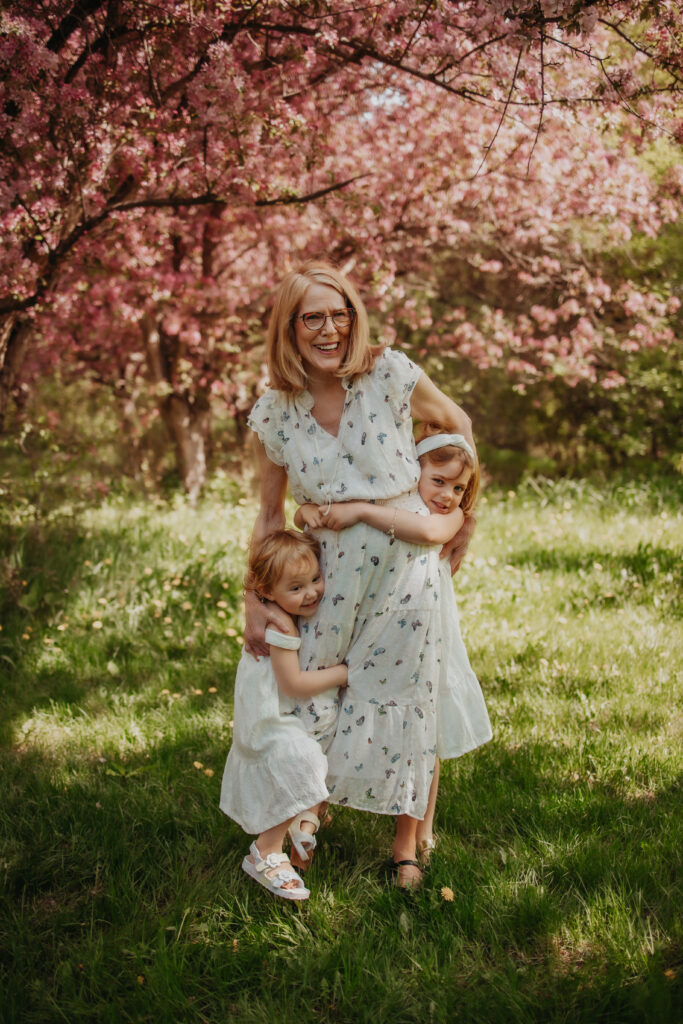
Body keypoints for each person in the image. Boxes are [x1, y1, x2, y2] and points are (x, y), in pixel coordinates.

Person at [244, 260, 475, 890]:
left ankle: (406, 845)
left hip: (406, 574)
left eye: (339, 313)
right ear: (289, 329)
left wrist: (457, 515)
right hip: (323, 582)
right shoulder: (275, 413)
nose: (329, 329)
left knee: (408, 699)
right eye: (312, 317)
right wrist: (255, 602)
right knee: (317, 695)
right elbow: (269, 511)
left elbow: (458, 427)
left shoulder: (390, 372)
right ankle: (304, 815)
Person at [295, 425, 492, 866]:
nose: (448, 494)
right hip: (371, 626)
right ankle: (317, 805)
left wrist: (362, 510)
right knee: (345, 712)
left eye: (459, 487)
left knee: (422, 724)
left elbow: (426, 531)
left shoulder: (445, 518)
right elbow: (315, 518)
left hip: (422, 636)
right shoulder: (390, 499)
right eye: (438, 480)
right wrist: (307, 510)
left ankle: (418, 835)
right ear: (412, 472)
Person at [219, 529, 347, 901]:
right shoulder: (280, 625)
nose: (311, 593)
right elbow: (292, 683)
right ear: (268, 592)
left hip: (269, 710)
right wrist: (343, 674)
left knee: (305, 760)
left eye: (315, 580)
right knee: (301, 759)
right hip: (266, 717)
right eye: (297, 587)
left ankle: (300, 821)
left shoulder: (280, 611)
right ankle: (266, 851)